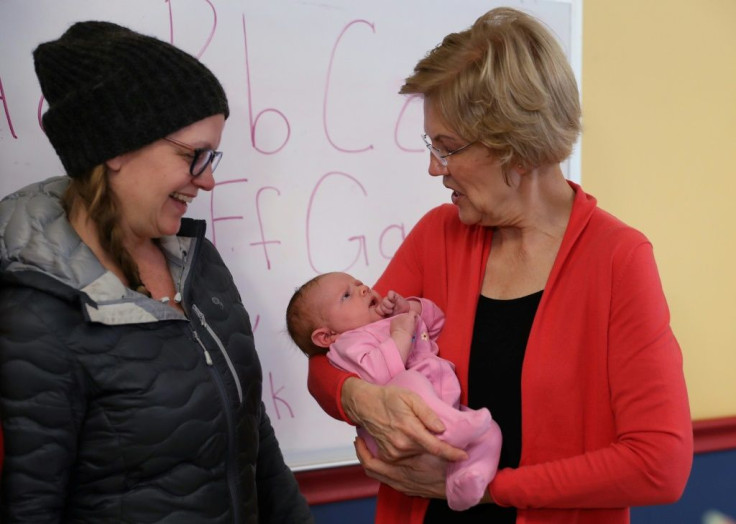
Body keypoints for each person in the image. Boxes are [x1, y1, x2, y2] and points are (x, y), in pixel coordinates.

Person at [306, 7, 693, 524]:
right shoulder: (437, 235)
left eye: (447, 149)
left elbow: (659, 464)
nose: (433, 167)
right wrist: (357, 395)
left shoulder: (618, 259)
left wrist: (489, 489)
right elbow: (329, 355)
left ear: (516, 146)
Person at [0, 21, 313, 523]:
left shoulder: (197, 262)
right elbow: (30, 506)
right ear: (116, 148)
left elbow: (253, 431)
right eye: (194, 156)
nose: (209, 180)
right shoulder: (37, 309)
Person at [286, 271, 502, 511]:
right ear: (328, 336)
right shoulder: (349, 343)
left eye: (358, 283)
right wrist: (400, 333)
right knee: (410, 381)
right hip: (402, 426)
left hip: (442, 408)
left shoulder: (387, 319)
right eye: (347, 295)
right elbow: (380, 375)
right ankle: (453, 428)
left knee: (490, 432)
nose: (363, 289)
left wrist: (409, 307)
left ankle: (466, 481)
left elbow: (439, 323)